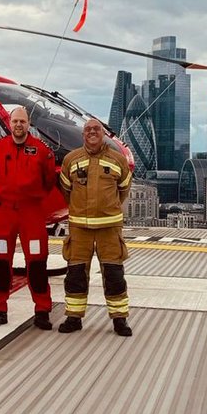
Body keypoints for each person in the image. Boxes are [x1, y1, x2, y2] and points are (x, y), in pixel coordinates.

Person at [57, 118, 133, 336]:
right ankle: (73, 317)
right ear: (83, 135)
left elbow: (123, 190)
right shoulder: (71, 160)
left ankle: (120, 319)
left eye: (96, 129)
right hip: (79, 229)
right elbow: (66, 190)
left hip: (109, 229)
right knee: (75, 275)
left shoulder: (118, 161)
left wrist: (107, 208)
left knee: (114, 275)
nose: (92, 132)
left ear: (103, 134)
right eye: (88, 129)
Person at [0, 107, 57, 330]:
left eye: (22, 122)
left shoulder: (42, 150)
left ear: (29, 124)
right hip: (4, 212)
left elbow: (48, 181)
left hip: (31, 212)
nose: (18, 125)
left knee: (37, 263)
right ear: (9, 123)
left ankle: (42, 310)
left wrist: (30, 199)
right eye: (15, 121)